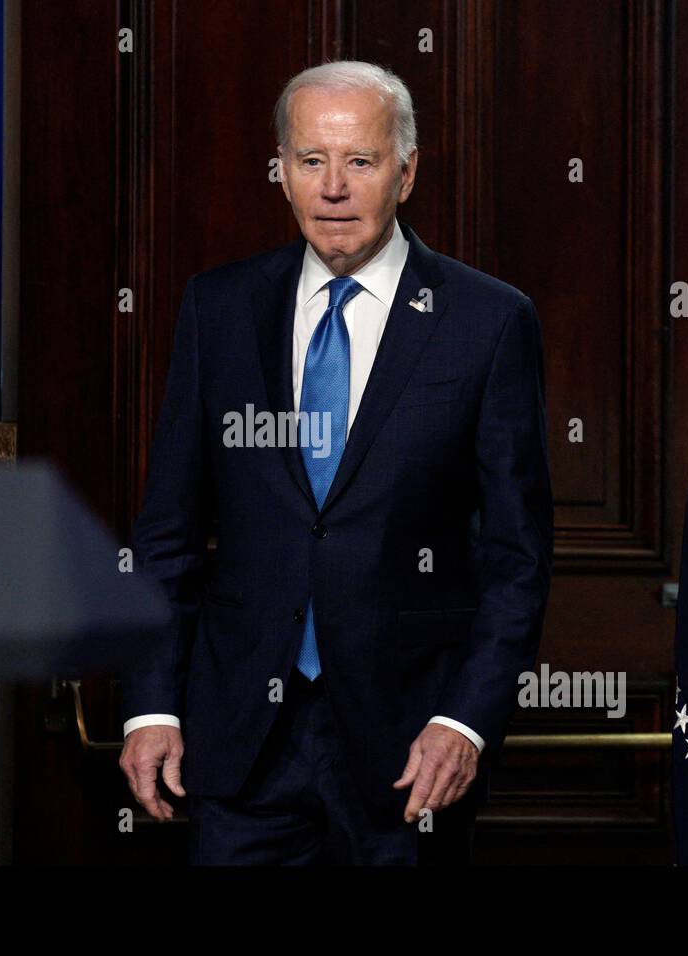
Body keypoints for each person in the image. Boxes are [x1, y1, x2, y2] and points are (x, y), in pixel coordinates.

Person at [119, 60, 553, 864]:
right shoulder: (217, 309)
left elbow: (516, 556)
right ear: (281, 171)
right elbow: (169, 532)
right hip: (240, 745)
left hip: (408, 749)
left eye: (360, 161)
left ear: (406, 170)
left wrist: (463, 721)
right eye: (310, 160)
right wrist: (151, 707)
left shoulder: (487, 322)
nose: (333, 188)